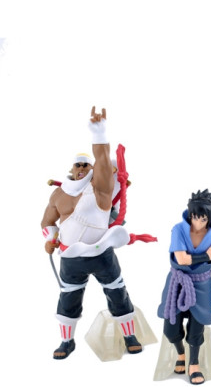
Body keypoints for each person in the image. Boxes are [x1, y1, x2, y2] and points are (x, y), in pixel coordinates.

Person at [41, 107, 142, 359]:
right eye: (78, 164)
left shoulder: (100, 188)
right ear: (72, 168)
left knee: (117, 294)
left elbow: (103, 158)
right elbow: (48, 222)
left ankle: (129, 336)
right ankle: (66, 342)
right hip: (71, 258)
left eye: (87, 164)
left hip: (101, 254)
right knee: (68, 299)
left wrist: (99, 133)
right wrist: (50, 239)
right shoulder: (58, 194)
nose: (82, 167)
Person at [157, 190, 211, 385]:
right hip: (177, 282)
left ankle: (194, 363)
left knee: (197, 327)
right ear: (190, 214)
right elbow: (182, 259)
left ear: (209, 217)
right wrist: (207, 255)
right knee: (171, 328)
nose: (198, 222)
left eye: (203, 219)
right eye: (195, 217)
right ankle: (181, 353)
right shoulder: (178, 230)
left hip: (202, 284)